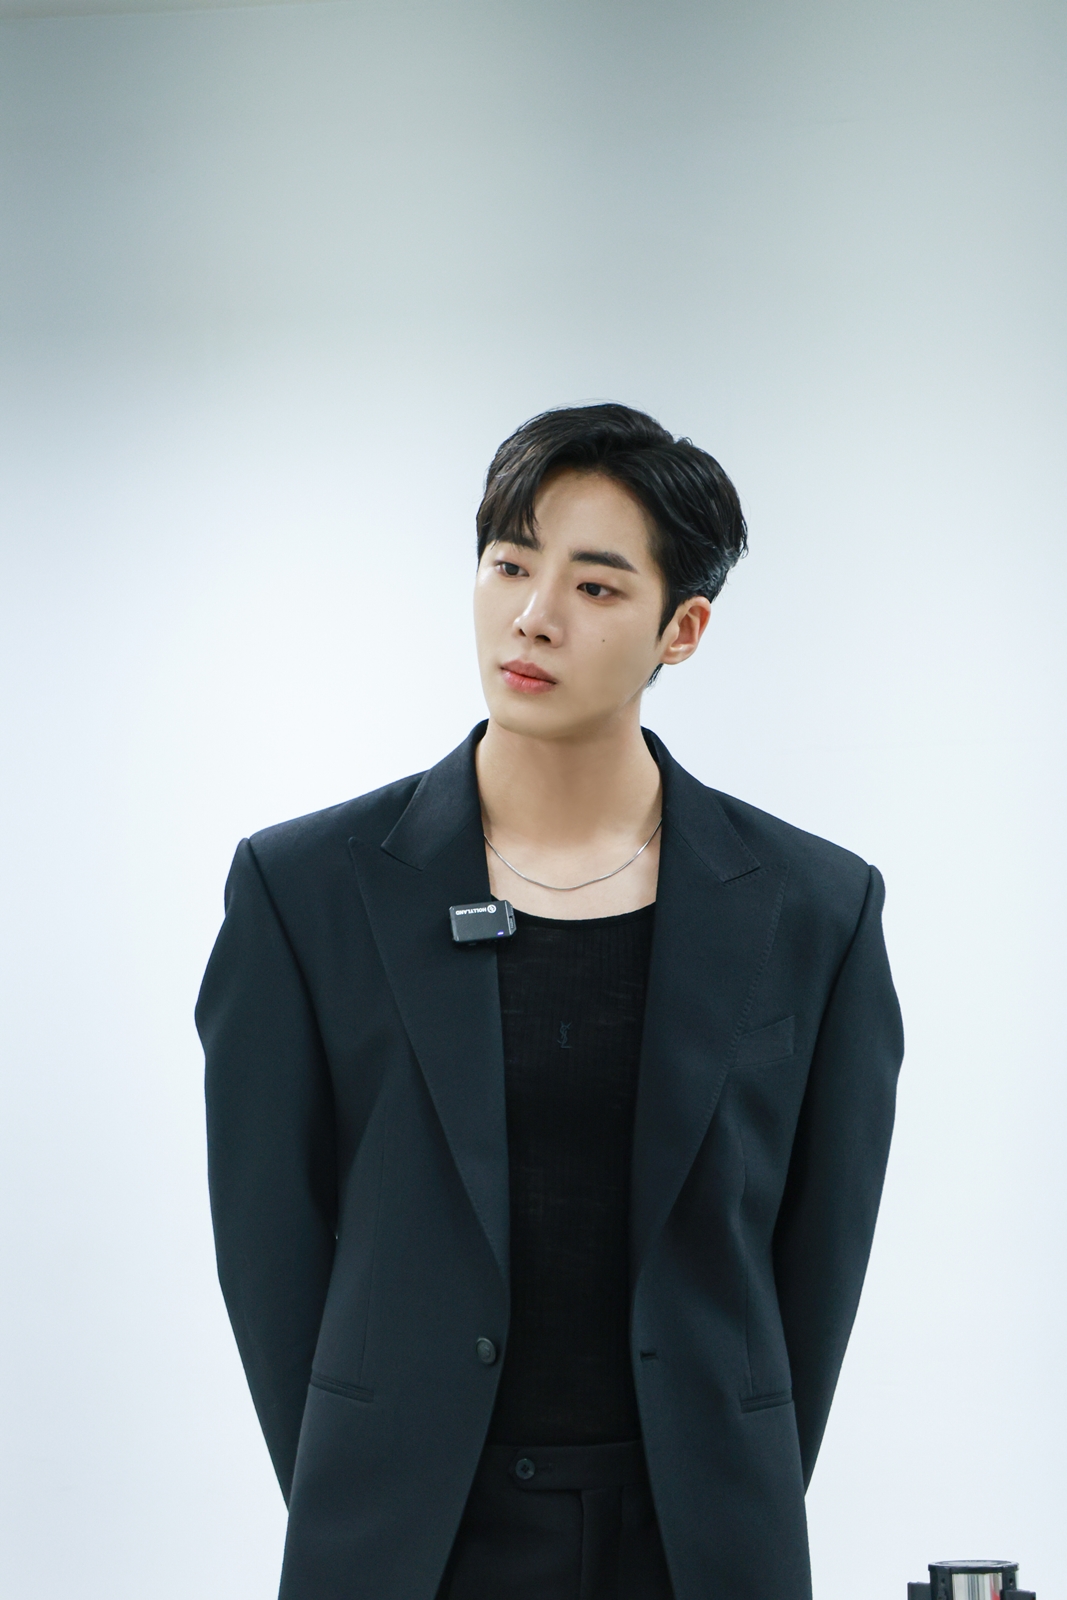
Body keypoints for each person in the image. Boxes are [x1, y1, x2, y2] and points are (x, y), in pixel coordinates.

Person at [196, 403, 904, 1600]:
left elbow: (814, 1267)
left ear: (682, 628)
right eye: (510, 564)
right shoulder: (302, 889)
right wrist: (362, 1486)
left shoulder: (816, 908)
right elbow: (268, 1248)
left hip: (695, 1544)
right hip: (411, 1544)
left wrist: (731, 1487)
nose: (533, 615)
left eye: (595, 584)